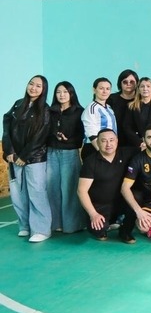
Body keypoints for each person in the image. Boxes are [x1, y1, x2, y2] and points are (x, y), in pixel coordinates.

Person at [4, 75, 52, 242]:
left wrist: (24, 156)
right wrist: (9, 151)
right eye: (31, 84)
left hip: (34, 158)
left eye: (38, 86)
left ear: (43, 90)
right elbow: (6, 127)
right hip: (14, 158)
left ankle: (42, 230)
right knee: (18, 194)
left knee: (37, 193)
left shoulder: (45, 109)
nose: (33, 88)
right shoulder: (18, 104)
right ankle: (24, 226)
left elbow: (41, 136)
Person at [77, 129, 132, 241]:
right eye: (104, 141)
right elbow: (81, 191)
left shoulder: (126, 153)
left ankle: (125, 230)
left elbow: (150, 148)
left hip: (121, 202)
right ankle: (106, 223)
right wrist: (93, 214)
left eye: (111, 140)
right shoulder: (90, 162)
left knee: (137, 197)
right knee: (99, 230)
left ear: (117, 141)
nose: (108, 144)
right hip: (100, 205)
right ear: (97, 143)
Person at [46, 81, 85, 234]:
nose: (61, 95)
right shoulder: (50, 111)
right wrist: (54, 136)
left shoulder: (79, 111)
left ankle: (72, 225)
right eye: (58, 92)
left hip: (70, 153)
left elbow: (81, 137)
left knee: (69, 189)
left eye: (65, 92)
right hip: (51, 153)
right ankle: (56, 224)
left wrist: (67, 140)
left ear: (71, 94)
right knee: (52, 188)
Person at [122, 77, 151, 154]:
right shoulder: (131, 106)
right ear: (138, 90)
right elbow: (127, 127)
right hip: (137, 145)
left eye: (148, 86)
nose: (145, 88)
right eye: (142, 86)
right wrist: (139, 142)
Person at [81, 77, 117, 161]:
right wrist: (101, 153)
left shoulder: (109, 108)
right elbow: (90, 132)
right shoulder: (91, 108)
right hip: (94, 148)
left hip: (107, 149)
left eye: (107, 89)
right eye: (101, 88)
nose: (104, 91)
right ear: (94, 90)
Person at [108, 70, 138, 136]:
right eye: (125, 82)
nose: (128, 84)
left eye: (132, 82)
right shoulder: (111, 99)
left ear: (137, 83)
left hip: (136, 138)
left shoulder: (141, 100)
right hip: (115, 137)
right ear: (120, 83)